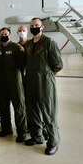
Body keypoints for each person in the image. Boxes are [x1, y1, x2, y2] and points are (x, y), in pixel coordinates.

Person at [24, 18, 63, 156]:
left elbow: (58, 64)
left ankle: (53, 142)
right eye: (32, 26)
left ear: (42, 27)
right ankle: (37, 137)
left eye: (37, 25)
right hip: (30, 81)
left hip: (45, 81)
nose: (34, 27)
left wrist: (48, 77)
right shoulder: (28, 44)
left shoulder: (49, 42)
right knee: (32, 110)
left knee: (48, 112)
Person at [0, 27, 27, 143]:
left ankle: (22, 132)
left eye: (5, 34)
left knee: (19, 108)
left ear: (10, 34)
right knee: (3, 107)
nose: (3, 35)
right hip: (1, 83)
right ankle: (6, 129)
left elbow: (23, 66)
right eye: (2, 34)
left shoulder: (17, 47)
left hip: (15, 82)